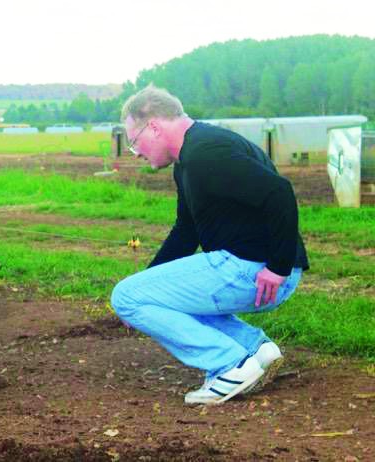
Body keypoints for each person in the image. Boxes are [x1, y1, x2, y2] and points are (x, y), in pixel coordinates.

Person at [110, 86, 309, 405]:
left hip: (258, 271)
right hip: (255, 267)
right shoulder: (189, 159)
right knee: (142, 293)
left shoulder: (207, 152)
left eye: (135, 143)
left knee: (124, 297)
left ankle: (230, 364)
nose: (137, 153)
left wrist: (278, 266)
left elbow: (279, 193)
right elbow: (186, 232)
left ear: (155, 127)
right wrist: (147, 283)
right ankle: (256, 350)